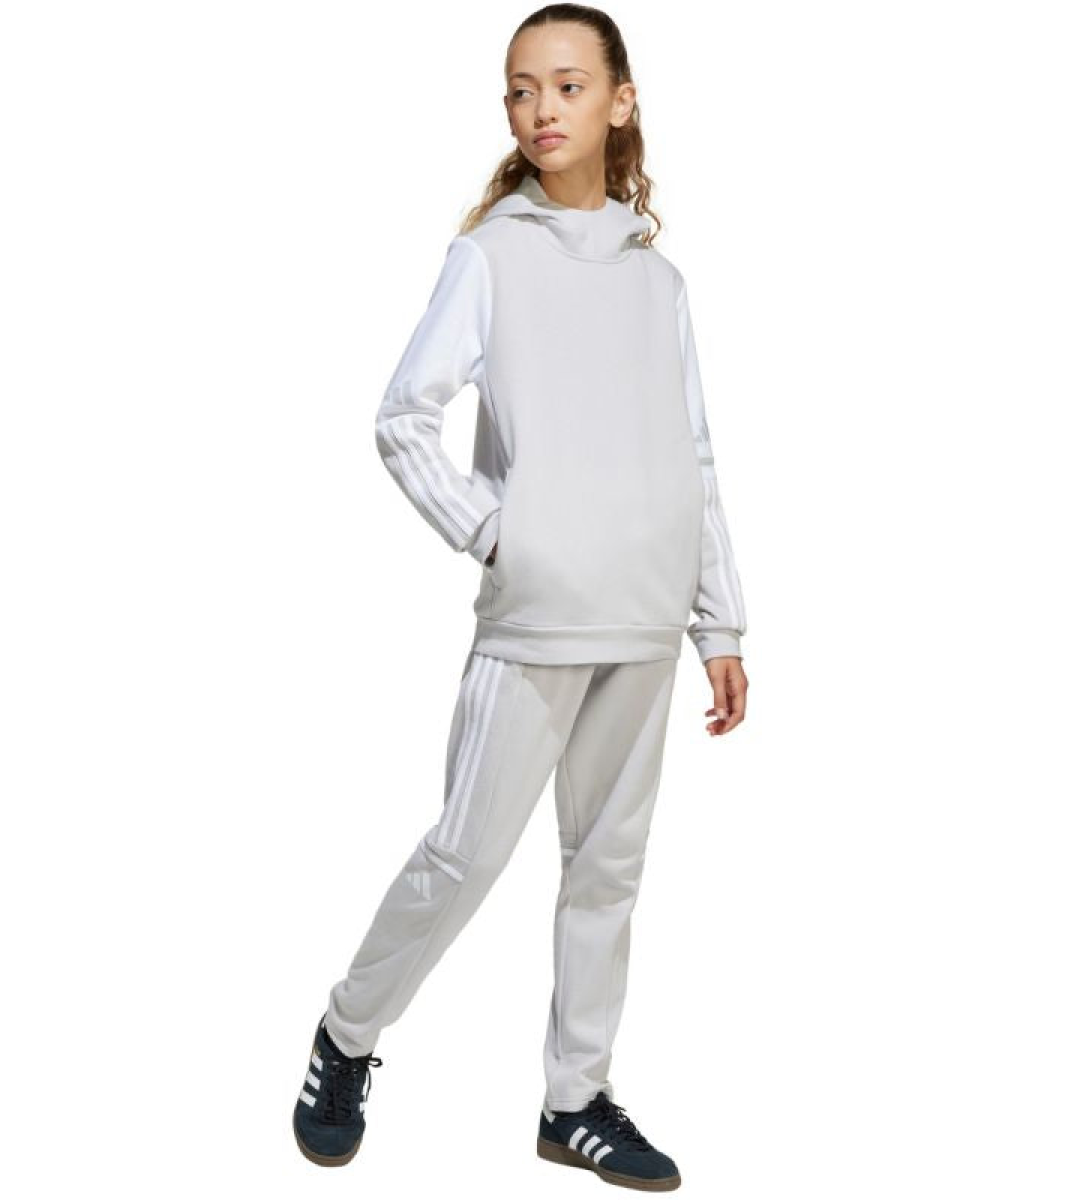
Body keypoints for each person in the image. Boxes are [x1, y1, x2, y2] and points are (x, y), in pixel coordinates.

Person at [292, 6, 747, 1190]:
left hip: (645, 619)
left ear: (620, 101)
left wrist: (719, 621)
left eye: (567, 85)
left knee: (608, 870)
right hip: (539, 615)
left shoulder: (659, 281)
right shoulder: (491, 258)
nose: (541, 108)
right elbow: (403, 416)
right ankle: (347, 1034)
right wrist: (496, 532)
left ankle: (575, 1100)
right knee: (464, 855)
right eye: (520, 90)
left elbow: (694, 456)